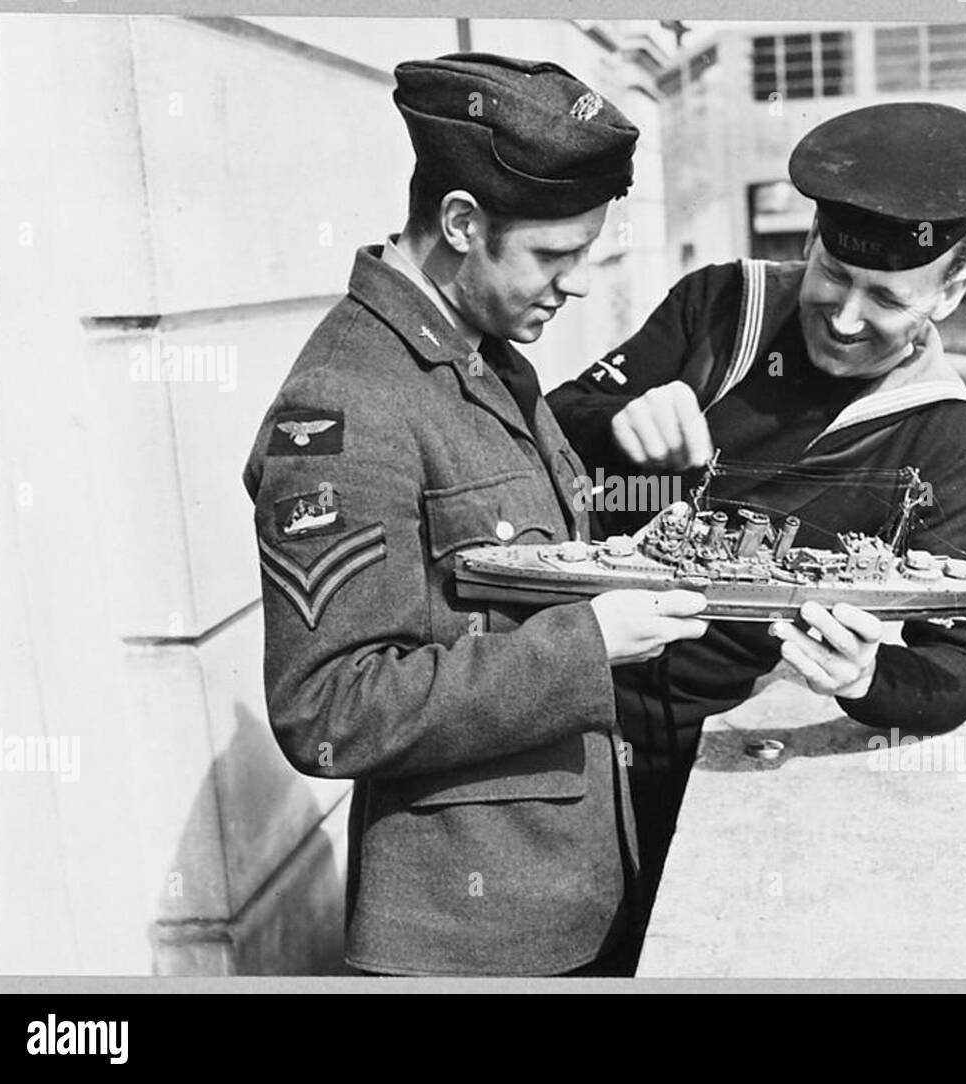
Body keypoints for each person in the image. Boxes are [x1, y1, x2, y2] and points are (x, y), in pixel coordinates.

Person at [242, 52, 708, 978]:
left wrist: (628, 561)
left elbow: (504, 581)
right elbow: (328, 707)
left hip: (567, 899)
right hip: (471, 943)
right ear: (461, 222)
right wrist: (590, 642)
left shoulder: (484, 355)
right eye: (553, 255)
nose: (574, 282)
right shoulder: (345, 405)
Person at [548, 101, 966, 959]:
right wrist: (619, 423)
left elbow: (961, 669)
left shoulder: (945, 437)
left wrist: (868, 675)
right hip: (573, 732)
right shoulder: (721, 306)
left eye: (887, 299)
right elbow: (552, 417)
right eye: (833, 274)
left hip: (727, 767)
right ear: (809, 241)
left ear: (951, 291)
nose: (842, 317)